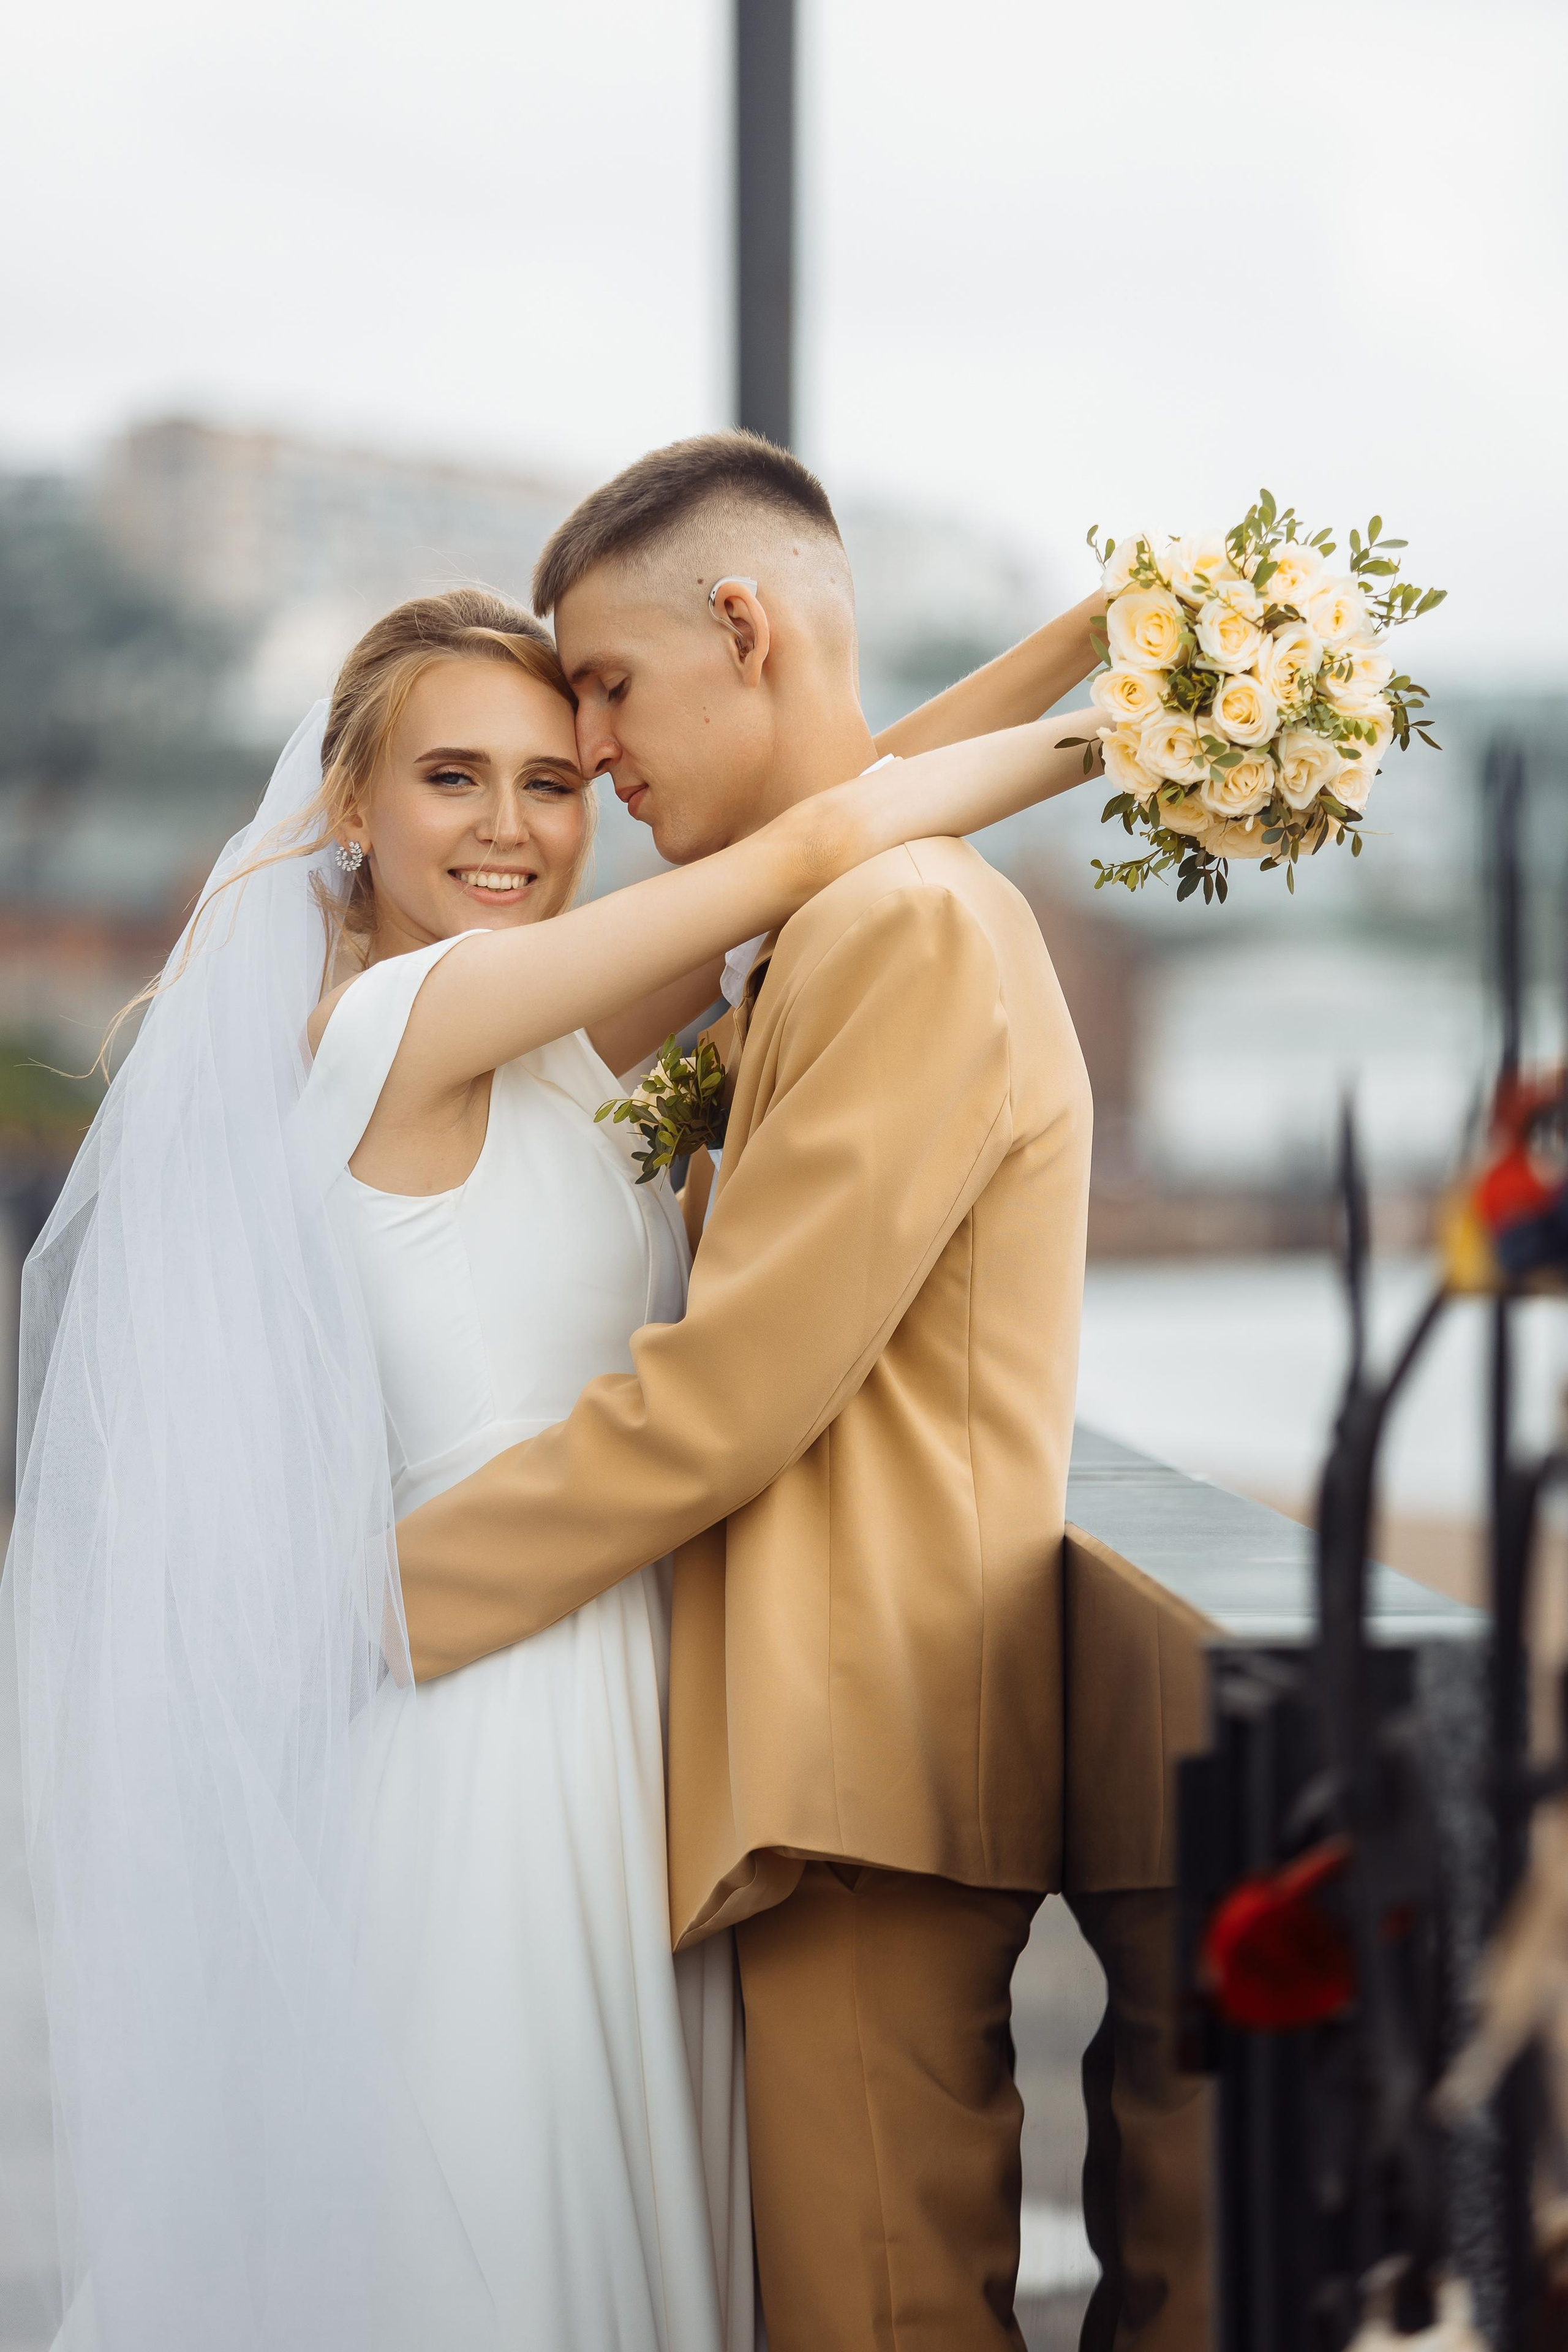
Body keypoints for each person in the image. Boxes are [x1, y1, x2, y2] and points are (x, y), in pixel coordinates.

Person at [4, 560, 1102, 2351]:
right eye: (454, 779)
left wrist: (1101, 628)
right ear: (348, 806)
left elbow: (840, 800)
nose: (513, 827)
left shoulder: (561, 1043)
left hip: (623, 1710)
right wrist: (1138, 731)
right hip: (488, 1738)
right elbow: (804, 855)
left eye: (554, 781)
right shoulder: (389, 1031)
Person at [385, 429, 1095, 2351]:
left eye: (607, 688)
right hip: (814, 1735)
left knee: (877, 2309)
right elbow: (849, 801)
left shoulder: (909, 929)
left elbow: (728, 1398)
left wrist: (378, 1605)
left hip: (861, 1743)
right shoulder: (849, 911)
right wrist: (1085, 662)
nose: (594, 753)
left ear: (744, 626)